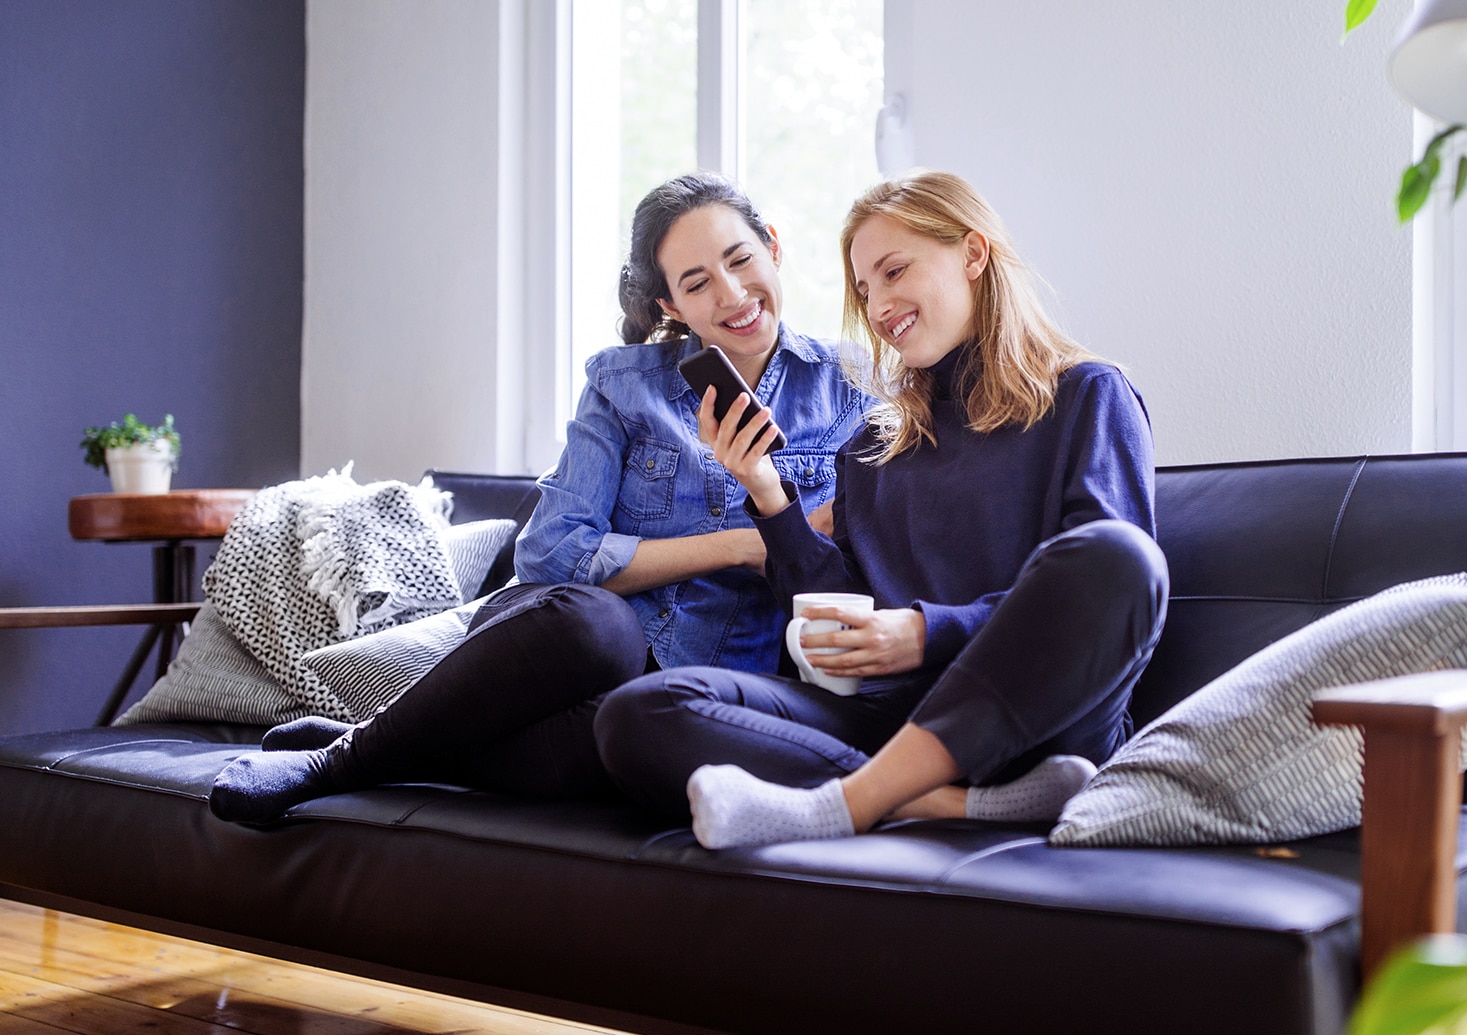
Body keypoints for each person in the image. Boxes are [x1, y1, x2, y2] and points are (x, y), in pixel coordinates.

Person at [209, 172, 870, 823]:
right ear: (671, 306)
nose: (732, 294)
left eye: (740, 259)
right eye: (697, 283)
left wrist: (772, 526)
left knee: (633, 731)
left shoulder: (854, 393)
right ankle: (339, 763)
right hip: (564, 645)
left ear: (773, 247)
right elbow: (552, 553)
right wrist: (748, 543)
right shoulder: (622, 386)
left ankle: (384, 742)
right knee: (602, 626)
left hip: (696, 684)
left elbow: (831, 579)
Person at [590, 169, 1170, 849]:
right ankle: (942, 801)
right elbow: (840, 613)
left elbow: (1104, 597)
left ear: (974, 255)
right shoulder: (875, 441)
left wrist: (925, 634)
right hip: (892, 714)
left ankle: (854, 800)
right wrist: (766, 491)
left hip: (1039, 724)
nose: (880, 305)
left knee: (1121, 556)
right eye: (865, 290)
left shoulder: (1088, 396)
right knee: (640, 712)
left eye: (895, 271)